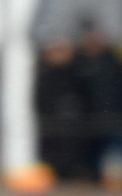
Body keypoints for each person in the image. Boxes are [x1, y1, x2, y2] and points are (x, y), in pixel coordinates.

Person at [76, 24, 122, 188]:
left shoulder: (119, 64)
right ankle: (97, 188)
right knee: (93, 158)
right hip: (94, 124)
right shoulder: (82, 64)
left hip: (118, 121)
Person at [33, 37, 95, 184]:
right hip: (53, 137)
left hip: (75, 138)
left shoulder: (78, 74)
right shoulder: (45, 75)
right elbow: (40, 104)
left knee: (75, 176)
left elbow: (87, 102)